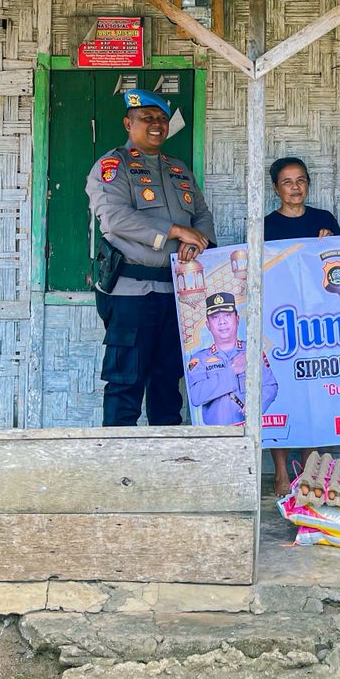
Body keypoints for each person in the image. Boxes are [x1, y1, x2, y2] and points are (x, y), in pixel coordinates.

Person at [87, 89, 215, 427]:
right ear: (128, 123)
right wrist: (176, 231)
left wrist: (199, 241)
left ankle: (165, 470)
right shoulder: (114, 166)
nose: (156, 125)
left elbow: (201, 214)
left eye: (161, 119)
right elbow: (115, 218)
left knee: (168, 388)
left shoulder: (178, 169)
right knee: (125, 386)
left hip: (176, 294)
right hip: (131, 293)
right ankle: (118, 470)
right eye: (147, 118)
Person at [263, 156, 340, 492]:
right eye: (287, 182)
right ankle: (281, 472)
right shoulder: (265, 225)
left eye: (300, 181)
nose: (295, 188)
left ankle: (311, 470)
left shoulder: (324, 220)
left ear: (308, 184)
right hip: (279, 319)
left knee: (315, 393)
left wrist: (331, 244)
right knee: (282, 396)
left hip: (317, 319)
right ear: (275, 188)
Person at [185, 292, 279, 426]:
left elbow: (270, 386)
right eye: (215, 317)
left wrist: (257, 403)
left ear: (237, 319)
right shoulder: (199, 359)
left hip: (249, 431)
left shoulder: (252, 351)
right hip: (215, 436)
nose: (222, 322)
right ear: (208, 325)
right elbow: (196, 396)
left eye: (227, 315)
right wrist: (232, 370)